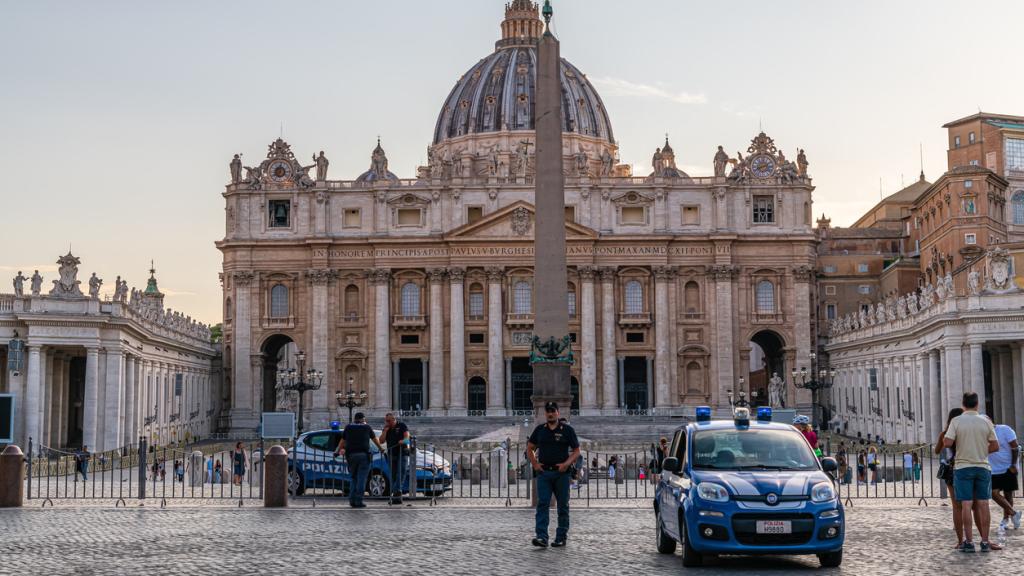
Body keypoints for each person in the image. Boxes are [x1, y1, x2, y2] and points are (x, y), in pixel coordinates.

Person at [944, 392, 1001, 552]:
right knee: (983, 504)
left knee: (966, 505)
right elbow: (996, 446)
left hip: (962, 467)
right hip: (982, 466)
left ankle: (969, 542)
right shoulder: (986, 421)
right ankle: (984, 541)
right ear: (977, 404)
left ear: (963, 404)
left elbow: (947, 443)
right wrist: (982, 451)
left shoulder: (956, 421)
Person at [527, 402, 581, 548]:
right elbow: (530, 447)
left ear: (558, 412)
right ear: (546, 413)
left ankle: (561, 537)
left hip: (561, 474)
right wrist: (535, 464)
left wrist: (566, 464)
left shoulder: (567, 430)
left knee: (563, 506)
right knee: (542, 504)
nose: (550, 413)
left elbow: (577, 450)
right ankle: (542, 537)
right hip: (544, 473)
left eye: (553, 411)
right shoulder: (540, 430)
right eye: (548, 411)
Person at [334, 412, 383, 508]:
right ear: (362, 419)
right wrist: (380, 448)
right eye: (364, 419)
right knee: (361, 479)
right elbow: (374, 439)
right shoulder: (367, 427)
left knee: (353, 478)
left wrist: (337, 451)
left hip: (351, 455)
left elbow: (342, 441)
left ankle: (352, 500)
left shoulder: (348, 427)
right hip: (363, 455)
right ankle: (358, 501)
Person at [936, 408, 967, 549]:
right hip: (964, 466)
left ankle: (960, 539)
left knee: (956, 505)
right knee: (967, 504)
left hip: (950, 469)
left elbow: (937, 450)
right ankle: (970, 536)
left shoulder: (945, 433)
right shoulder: (964, 432)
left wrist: (942, 439)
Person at [989, 422, 1021, 530]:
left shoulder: (1005, 429)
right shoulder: (982, 433)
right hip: (993, 469)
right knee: (993, 493)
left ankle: (1005, 519)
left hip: (1008, 467)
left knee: (1008, 495)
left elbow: (1015, 447)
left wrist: (1013, 464)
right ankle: (1014, 513)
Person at [380, 413, 411, 505]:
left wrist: (403, 441)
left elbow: (407, 439)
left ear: (394, 419)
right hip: (391, 454)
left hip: (402, 453)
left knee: (400, 474)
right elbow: (381, 441)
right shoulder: (386, 428)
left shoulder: (402, 426)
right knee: (393, 476)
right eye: (386, 421)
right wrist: (385, 431)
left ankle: (395, 493)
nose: (387, 422)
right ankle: (397, 498)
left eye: (389, 421)